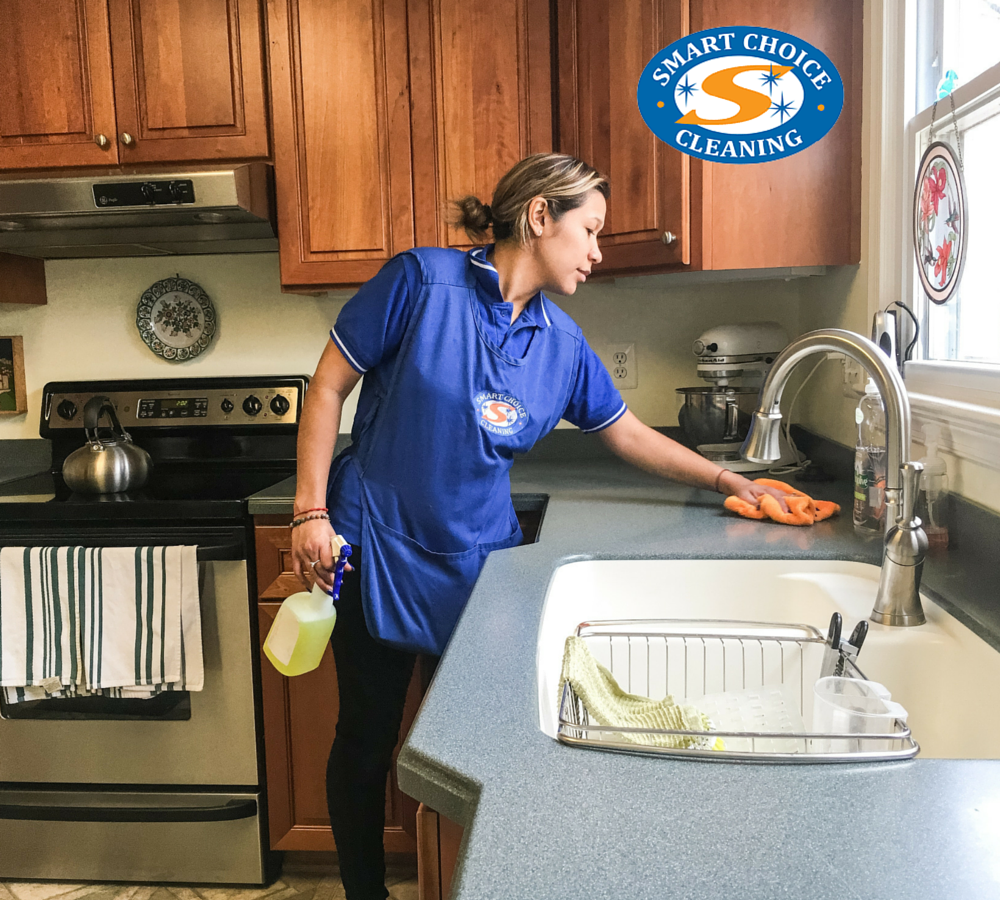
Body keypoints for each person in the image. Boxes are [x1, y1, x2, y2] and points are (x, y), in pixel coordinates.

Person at [290, 153, 788, 900]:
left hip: (481, 569)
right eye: (589, 230)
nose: (597, 251)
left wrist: (729, 480)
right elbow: (329, 385)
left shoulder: (561, 343)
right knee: (366, 739)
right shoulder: (419, 282)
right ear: (538, 216)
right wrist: (310, 511)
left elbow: (626, 432)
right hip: (374, 547)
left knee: (478, 747)